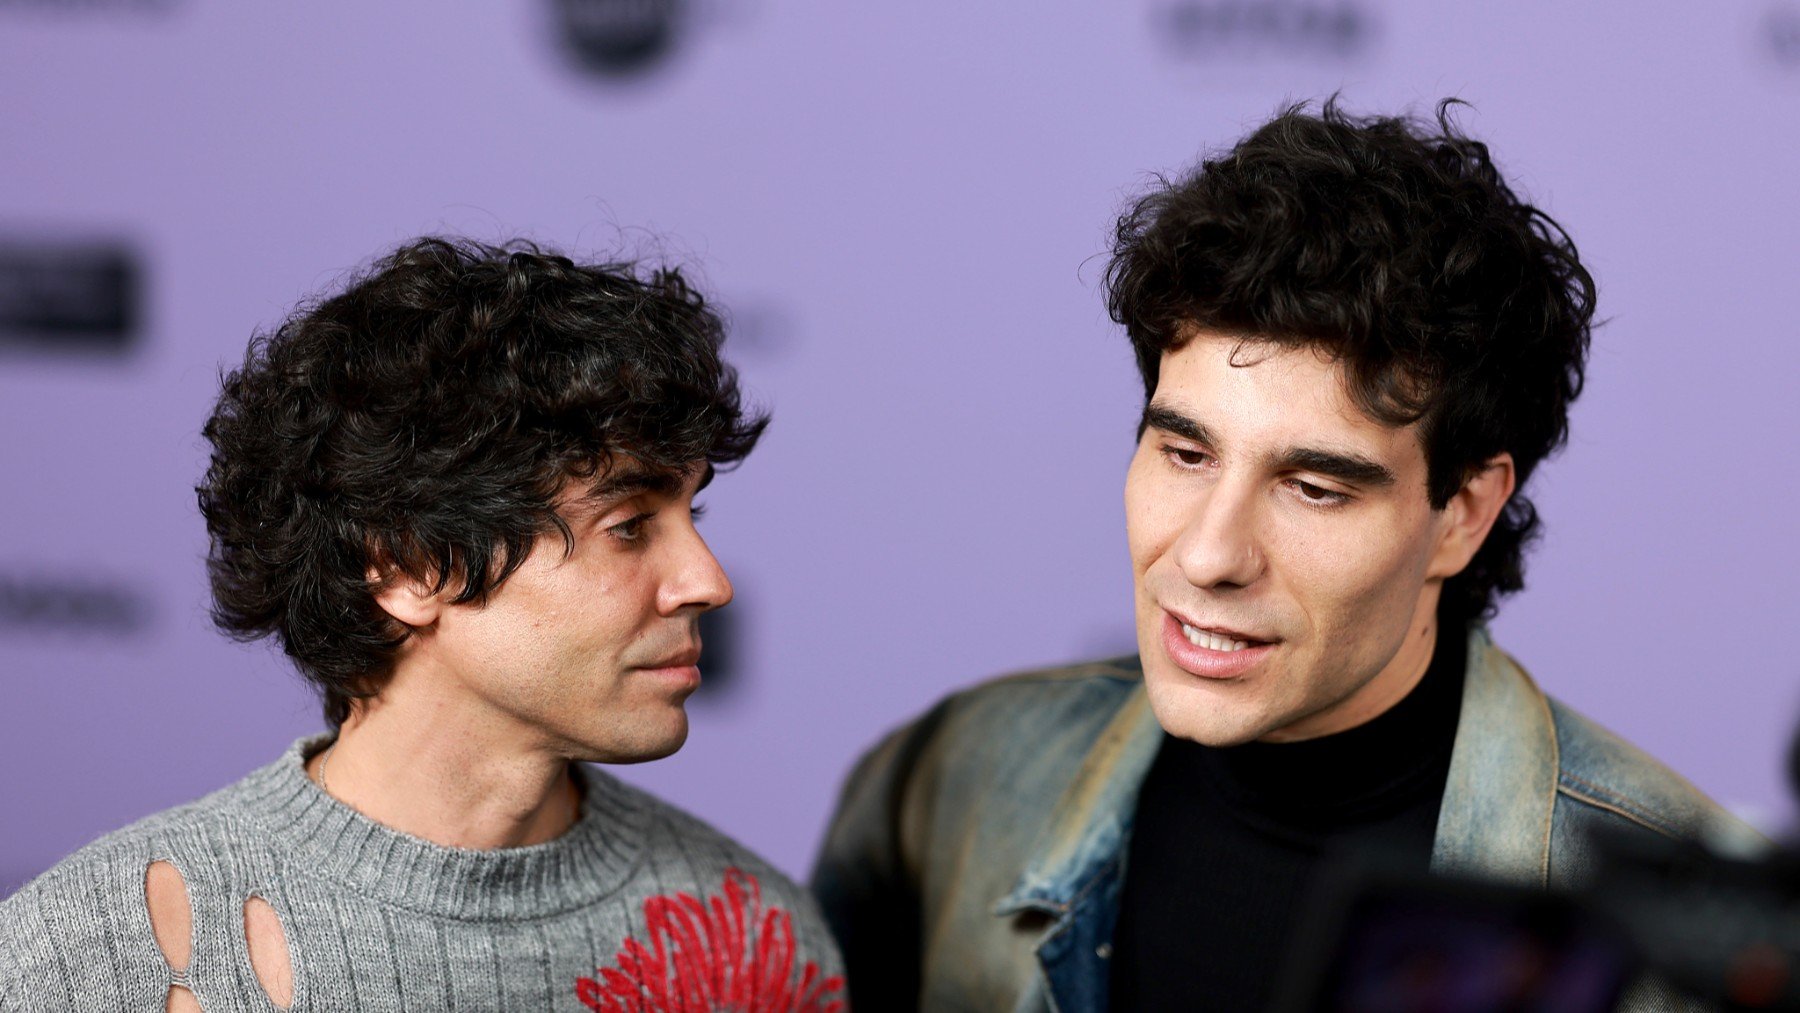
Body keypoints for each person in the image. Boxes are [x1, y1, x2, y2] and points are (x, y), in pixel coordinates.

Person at [811, 101, 1762, 1012]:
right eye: (1186, 453)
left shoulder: (1678, 937)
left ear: (1463, 513)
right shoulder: (954, 776)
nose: (1209, 553)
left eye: (1313, 487)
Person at [0, 238, 845, 1012]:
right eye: (629, 526)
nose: (708, 581)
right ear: (406, 567)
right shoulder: (98, 958)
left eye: (693, 513)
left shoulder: (755, 936)